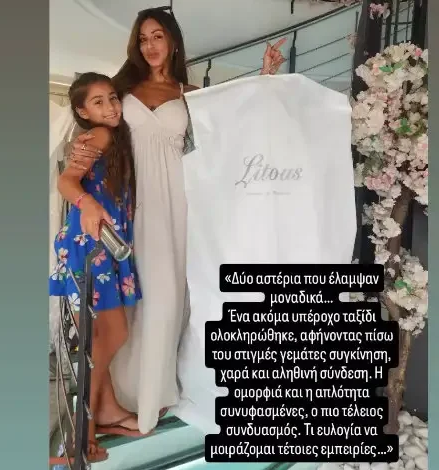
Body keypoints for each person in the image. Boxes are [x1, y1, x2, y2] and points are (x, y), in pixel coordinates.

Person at [67, 8, 286, 434]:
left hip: (177, 201)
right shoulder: (121, 89)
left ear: (172, 41)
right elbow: (96, 121)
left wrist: (265, 75)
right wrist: (81, 152)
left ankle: (152, 394)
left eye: (157, 36)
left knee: (169, 299)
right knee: (135, 304)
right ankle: (116, 402)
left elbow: (233, 115)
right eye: (143, 38)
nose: (150, 45)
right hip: (131, 204)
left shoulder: (190, 92)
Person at [49, 72, 143, 463]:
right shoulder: (99, 136)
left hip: (101, 245)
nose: (111, 107)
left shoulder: (112, 138)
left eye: (113, 98)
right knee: (109, 335)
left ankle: (103, 409)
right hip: (90, 245)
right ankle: (80, 429)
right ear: (82, 111)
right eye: (99, 102)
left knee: (103, 337)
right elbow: (67, 182)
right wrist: (87, 203)